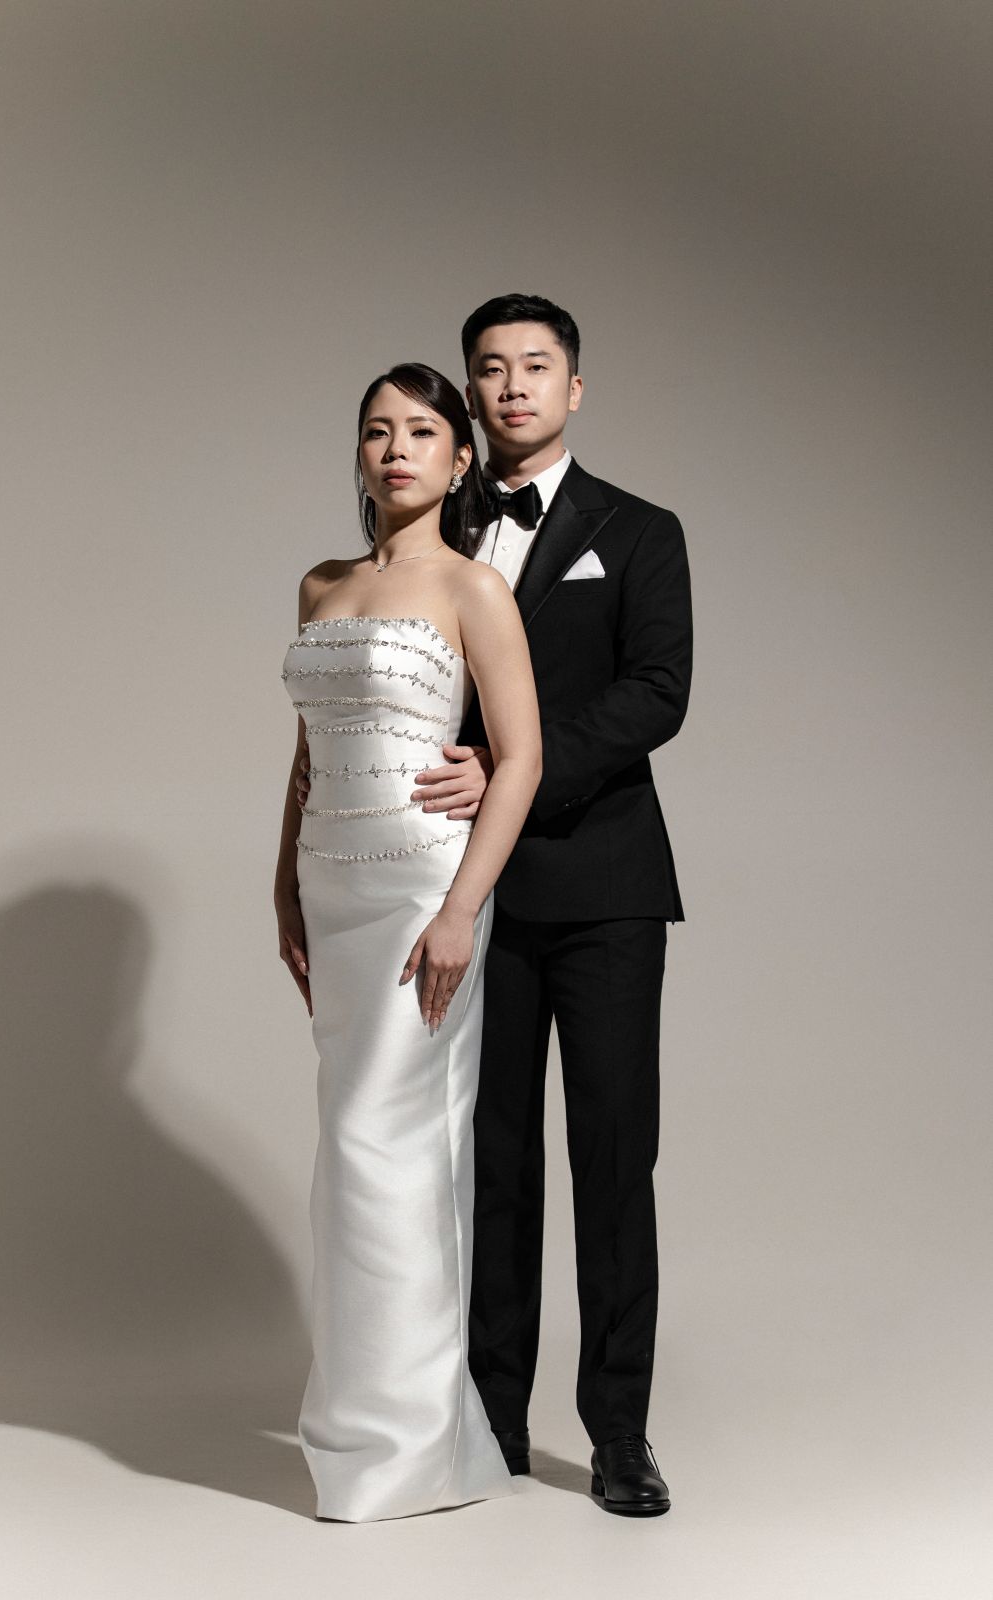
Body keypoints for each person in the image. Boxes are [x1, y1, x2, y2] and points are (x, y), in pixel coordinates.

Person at [411, 295, 693, 1516]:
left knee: (612, 1157)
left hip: (605, 885)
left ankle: (619, 1432)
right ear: (470, 392)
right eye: (491, 368)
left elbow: (657, 692)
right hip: (469, 887)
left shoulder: (638, 530)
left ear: (573, 388)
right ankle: (493, 1418)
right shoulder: (434, 528)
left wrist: (513, 764)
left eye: (535, 365)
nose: (513, 384)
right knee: (494, 1160)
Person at [274, 362, 542, 1523]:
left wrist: (461, 909)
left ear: (458, 456)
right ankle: (360, 1431)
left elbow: (519, 760)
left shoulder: (474, 587)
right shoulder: (319, 584)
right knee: (347, 1149)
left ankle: (411, 1448)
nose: (396, 450)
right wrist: (281, 881)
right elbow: (306, 752)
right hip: (329, 884)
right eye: (377, 431)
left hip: (420, 889)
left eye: (421, 432)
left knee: (390, 1145)